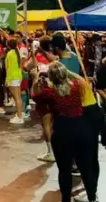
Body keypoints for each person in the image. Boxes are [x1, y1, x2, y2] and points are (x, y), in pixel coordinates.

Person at [32, 62, 99, 202]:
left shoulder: (49, 92)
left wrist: (35, 79)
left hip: (63, 131)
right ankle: (92, 197)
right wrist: (66, 70)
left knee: (64, 170)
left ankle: (66, 199)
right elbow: (81, 79)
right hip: (82, 129)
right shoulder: (76, 87)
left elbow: (34, 96)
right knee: (86, 168)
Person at [4, 38, 25, 124]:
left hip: (13, 77)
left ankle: (20, 117)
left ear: (8, 45)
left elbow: (7, 67)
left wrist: (7, 79)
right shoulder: (18, 52)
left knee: (17, 98)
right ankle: (19, 115)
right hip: (18, 76)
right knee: (18, 97)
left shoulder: (9, 54)